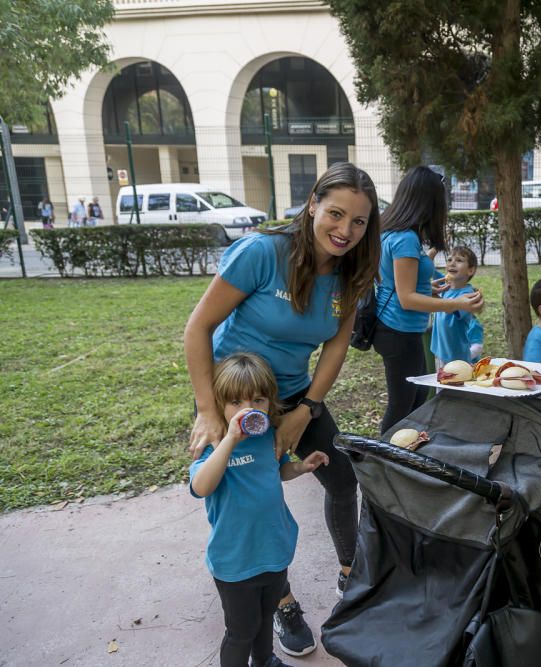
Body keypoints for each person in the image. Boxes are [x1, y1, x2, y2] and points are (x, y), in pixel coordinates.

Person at [184, 161, 381, 657]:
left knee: (341, 479)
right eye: (335, 214)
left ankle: (348, 577)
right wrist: (211, 413)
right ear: (312, 204)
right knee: (254, 497)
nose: (345, 230)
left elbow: (335, 348)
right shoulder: (261, 254)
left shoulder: (352, 272)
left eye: (359, 221)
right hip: (239, 395)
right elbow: (197, 329)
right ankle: (281, 601)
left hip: (293, 395)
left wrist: (307, 409)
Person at [190, 352, 330, 667]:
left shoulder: (268, 437)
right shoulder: (213, 445)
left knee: (267, 616)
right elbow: (201, 487)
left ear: (270, 402)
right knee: (242, 630)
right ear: (218, 404)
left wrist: (301, 468)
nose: (248, 410)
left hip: (273, 549)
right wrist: (229, 440)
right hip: (235, 560)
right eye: (236, 402)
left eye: (257, 400)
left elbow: (278, 471)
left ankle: (264, 660)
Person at [373, 165, 484, 434]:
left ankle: (400, 459)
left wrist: (429, 288)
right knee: (402, 407)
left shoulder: (390, 232)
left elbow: (396, 284)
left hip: (398, 330)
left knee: (416, 400)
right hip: (398, 332)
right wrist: (458, 303)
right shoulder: (405, 239)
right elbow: (407, 298)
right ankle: (379, 464)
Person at [430, 245, 484, 367]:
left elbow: (452, 309)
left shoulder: (468, 294)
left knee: (454, 384)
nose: (452, 263)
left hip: (457, 356)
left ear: (470, 270)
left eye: (459, 260)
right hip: (440, 351)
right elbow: (429, 268)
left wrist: (434, 297)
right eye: (449, 260)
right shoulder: (445, 285)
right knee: (442, 384)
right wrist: (435, 247)